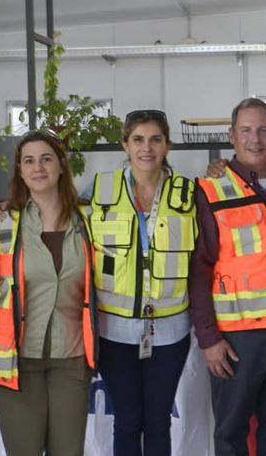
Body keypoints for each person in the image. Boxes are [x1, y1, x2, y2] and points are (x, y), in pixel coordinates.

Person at [189, 97, 266, 456]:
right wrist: (210, 339)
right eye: (246, 130)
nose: (255, 139)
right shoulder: (210, 189)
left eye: (263, 130)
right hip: (238, 338)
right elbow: (199, 272)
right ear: (232, 136)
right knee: (230, 432)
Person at [87, 109, 196, 456]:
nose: (146, 148)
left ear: (167, 145)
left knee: (159, 419)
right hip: (113, 331)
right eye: (138, 139)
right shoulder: (98, 188)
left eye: (155, 139)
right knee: (128, 420)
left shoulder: (190, 193)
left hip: (170, 331)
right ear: (125, 144)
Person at [0, 129, 98, 456]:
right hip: (17, 360)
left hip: (72, 359)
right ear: (20, 170)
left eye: (46, 159)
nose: (38, 168)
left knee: (68, 451)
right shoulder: (3, 223)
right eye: (29, 161)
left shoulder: (89, 220)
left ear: (62, 165)